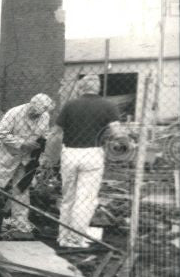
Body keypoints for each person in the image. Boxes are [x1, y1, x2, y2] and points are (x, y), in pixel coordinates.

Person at [53, 74, 126, 247]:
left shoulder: (70, 106)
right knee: (85, 199)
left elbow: (56, 132)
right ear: (98, 87)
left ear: (81, 87)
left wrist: (51, 157)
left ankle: (63, 237)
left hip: (70, 153)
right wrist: (124, 142)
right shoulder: (108, 106)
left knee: (68, 198)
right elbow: (117, 133)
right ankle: (76, 237)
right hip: (92, 153)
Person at [0, 93, 55, 233]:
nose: (37, 116)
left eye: (40, 114)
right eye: (34, 113)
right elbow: (1, 133)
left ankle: (20, 221)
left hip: (26, 158)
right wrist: (22, 143)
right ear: (30, 105)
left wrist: (42, 149)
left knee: (21, 188)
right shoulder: (14, 113)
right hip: (5, 155)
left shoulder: (44, 116)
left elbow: (44, 134)